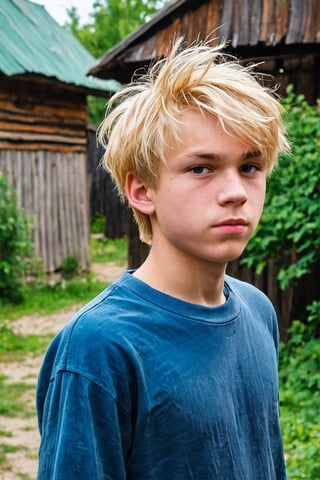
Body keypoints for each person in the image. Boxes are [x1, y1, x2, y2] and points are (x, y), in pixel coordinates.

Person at [36, 37, 290, 479]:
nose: (235, 193)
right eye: (201, 168)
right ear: (142, 191)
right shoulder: (99, 348)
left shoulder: (257, 311)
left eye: (250, 167)